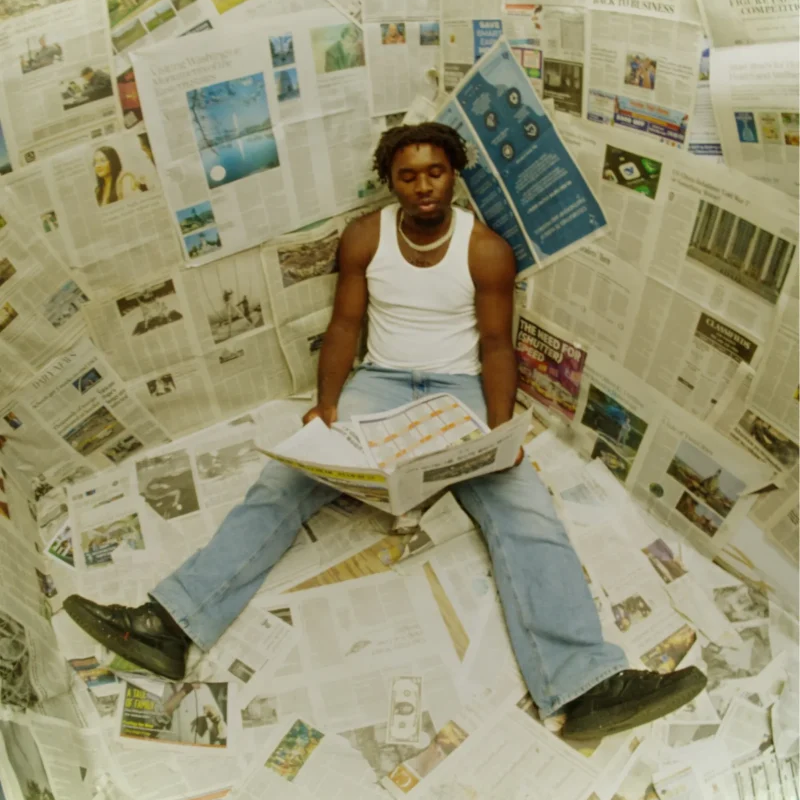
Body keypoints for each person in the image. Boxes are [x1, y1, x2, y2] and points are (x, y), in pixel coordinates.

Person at [64, 123, 705, 742]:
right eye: (409, 176)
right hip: (381, 384)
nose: (424, 186)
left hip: (459, 391)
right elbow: (345, 326)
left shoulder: (485, 249)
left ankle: (583, 686)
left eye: (436, 173)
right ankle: (170, 626)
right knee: (284, 481)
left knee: (527, 511)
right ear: (391, 182)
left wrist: (500, 430)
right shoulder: (366, 238)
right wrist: (326, 407)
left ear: (453, 176)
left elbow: (495, 345)